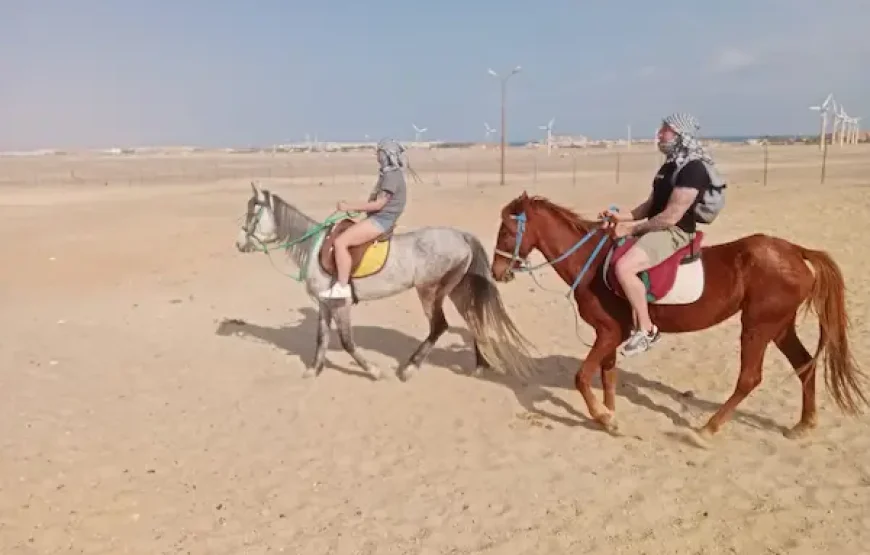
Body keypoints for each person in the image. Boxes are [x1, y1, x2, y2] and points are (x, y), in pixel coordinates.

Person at [599, 112, 724, 357]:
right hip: (658, 225)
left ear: (679, 135)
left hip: (674, 232)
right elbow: (650, 206)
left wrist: (633, 229)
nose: (659, 134)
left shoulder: (693, 169)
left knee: (624, 268)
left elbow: (671, 217)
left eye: (665, 129)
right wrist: (621, 217)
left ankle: (646, 329)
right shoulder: (670, 166)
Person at [319, 138, 409, 299]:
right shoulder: (391, 175)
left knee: (341, 243)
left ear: (386, 155)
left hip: (381, 221)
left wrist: (349, 207)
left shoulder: (391, 177)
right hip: (380, 218)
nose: (377, 156)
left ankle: (342, 286)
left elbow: (378, 205)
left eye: (379, 152)